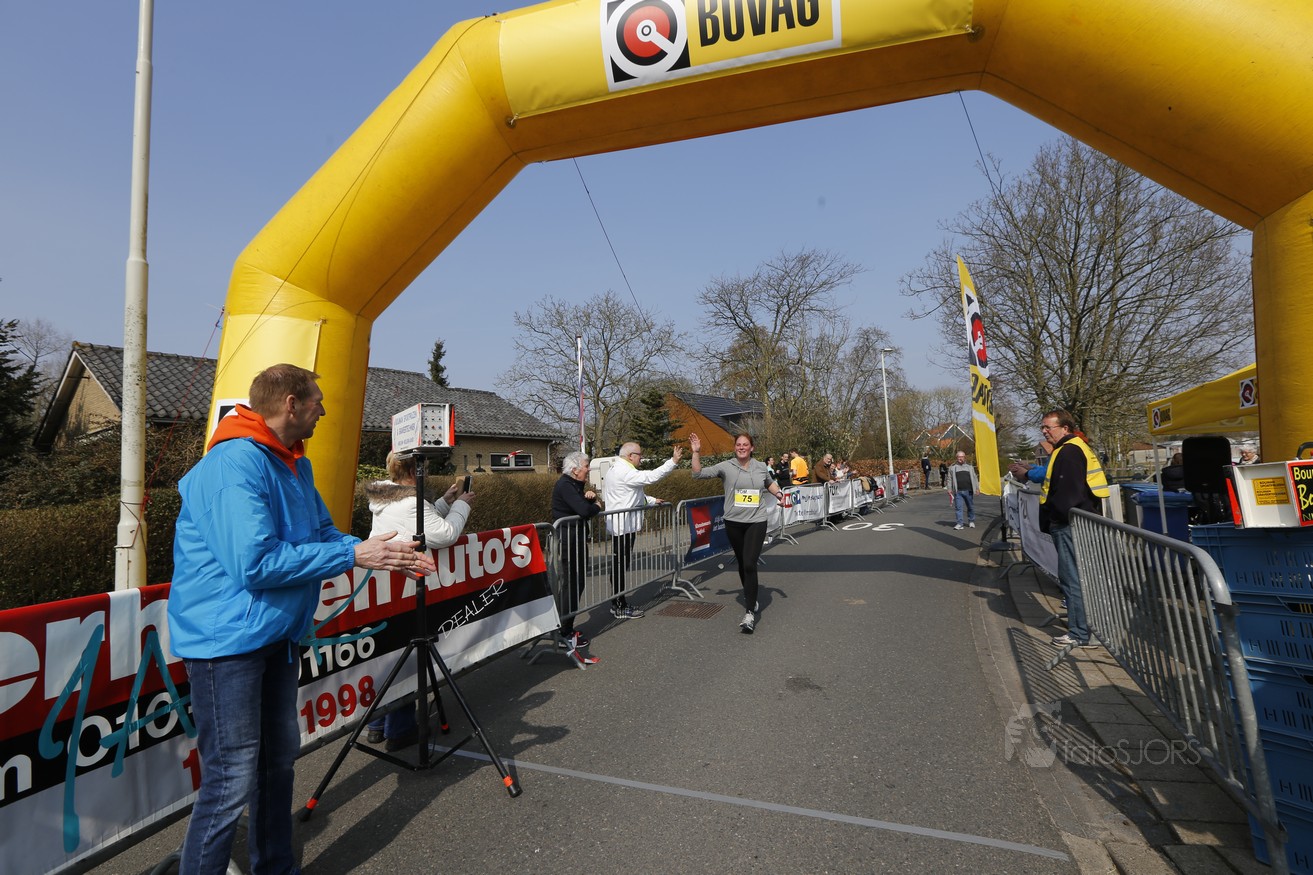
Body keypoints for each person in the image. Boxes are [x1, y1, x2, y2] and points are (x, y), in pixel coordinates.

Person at [168, 363, 436, 875]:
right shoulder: (232, 464)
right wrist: (355, 555)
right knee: (230, 779)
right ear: (290, 404)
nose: (324, 410)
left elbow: (322, 533)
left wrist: (378, 550)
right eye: (317, 400)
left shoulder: (294, 463)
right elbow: (255, 563)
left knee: (277, 764)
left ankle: (276, 867)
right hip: (227, 645)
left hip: (276, 635)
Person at [362, 452, 475, 747]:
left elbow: (419, 522)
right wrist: (462, 504)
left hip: (386, 586)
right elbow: (444, 534)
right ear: (415, 471)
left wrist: (445, 502)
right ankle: (400, 731)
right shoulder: (411, 503)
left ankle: (377, 724)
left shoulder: (386, 497)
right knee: (407, 657)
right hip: (409, 584)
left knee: (389, 654)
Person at [689, 431, 787, 634]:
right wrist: (696, 452)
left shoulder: (760, 467)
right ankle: (751, 595)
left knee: (750, 563)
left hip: (757, 521)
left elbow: (769, 483)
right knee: (742, 562)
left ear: (752, 448)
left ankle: (749, 612)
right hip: (733, 522)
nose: (741, 447)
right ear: (735, 448)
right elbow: (697, 474)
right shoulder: (726, 466)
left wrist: (779, 493)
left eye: (745, 445)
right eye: (738, 445)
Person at [1039, 408, 1109, 649]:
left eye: (1049, 427)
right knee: (1081, 577)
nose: (1044, 431)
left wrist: (1055, 518)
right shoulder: (1075, 447)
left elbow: (1067, 494)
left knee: (1073, 579)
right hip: (1078, 522)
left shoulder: (1068, 452)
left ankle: (1080, 632)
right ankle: (1088, 629)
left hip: (1069, 525)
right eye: (1043, 427)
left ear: (1065, 428)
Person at [602, 440, 682, 618]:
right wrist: (673, 462)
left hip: (622, 525)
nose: (641, 458)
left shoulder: (618, 469)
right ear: (630, 456)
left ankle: (618, 602)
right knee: (620, 566)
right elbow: (651, 477)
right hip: (622, 527)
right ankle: (619, 605)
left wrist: (652, 500)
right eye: (639, 454)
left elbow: (633, 494)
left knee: (620, 565)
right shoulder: (625, 471)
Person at [550, 451, 602, 666]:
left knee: (577, 584)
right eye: (586, 466)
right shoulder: (565, 485)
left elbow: (581, 504)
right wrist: (596, 505)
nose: (588, 469)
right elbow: (583, 510)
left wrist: (589, 496)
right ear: (574, 469)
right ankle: (564, 631)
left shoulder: (573, 485)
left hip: (576, 540)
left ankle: (567, 628)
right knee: (571, 585)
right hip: (569, 542)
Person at [946, 450, 979, 530]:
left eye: (962, 457)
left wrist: (977, 488)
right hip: (958, 491)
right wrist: (949, 489)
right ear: (956, 458)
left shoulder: (969, 467)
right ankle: (959, 523)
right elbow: (949, 479)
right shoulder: (952, 468)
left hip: (969, 490)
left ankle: (971, 521)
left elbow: (974, 478)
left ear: (964, 457)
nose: (960, 458)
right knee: (958, 508)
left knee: (970, 507)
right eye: (958, 457)